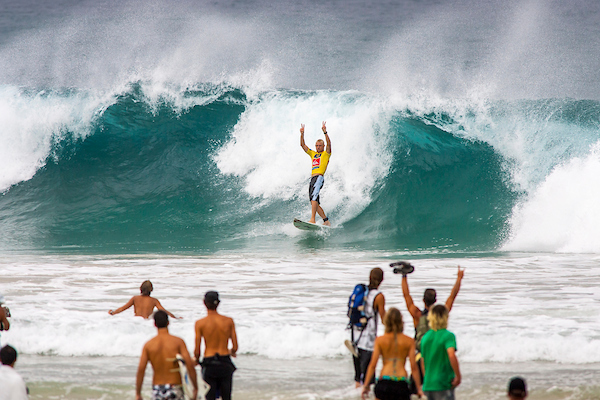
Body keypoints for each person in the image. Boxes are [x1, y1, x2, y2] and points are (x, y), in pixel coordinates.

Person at [361, 308, 423, 400]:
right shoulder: (409, 341)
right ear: (401, 322)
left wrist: (366, 386)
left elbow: (372, 365)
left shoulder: (380, 340)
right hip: (401, 383)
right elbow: (413, 367)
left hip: (384, 382)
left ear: (386, 321)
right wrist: (418, 388)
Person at [135, 311, 198, 400]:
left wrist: (138, 393)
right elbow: (189, 364)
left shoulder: (149, 345)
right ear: (168, 322)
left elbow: (141, 369)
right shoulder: (178, 342)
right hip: (174, 387)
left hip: (157, 389)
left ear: (154, 324)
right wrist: (195, 388)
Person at [401, 266, 464, 352]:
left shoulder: (417, 314)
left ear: (423, 300)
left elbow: (406, 295)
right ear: (435, 300)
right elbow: (452, 296)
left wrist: (404, 276)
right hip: (436, 351)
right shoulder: (441, 314)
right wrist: (459, 278)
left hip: (421, 353)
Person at [194, 291, 238, 400]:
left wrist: (196, 359)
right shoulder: (228, 321)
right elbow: (235, 347)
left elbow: (197, 350)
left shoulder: (200, 323)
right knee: (227, 397)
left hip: (209, 364)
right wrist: (231, 351)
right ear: (218, 303)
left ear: (204, 303)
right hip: (225, 362)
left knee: (210, 397)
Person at [352, 267, 386, 388]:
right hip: (368, 342)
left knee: (358, 379)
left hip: (355, 338)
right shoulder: (379, 296)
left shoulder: (362, 292)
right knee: (368, 381)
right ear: (382, 280)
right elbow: (384, 319)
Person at [420, 305, 461, 400]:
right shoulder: (448, 336)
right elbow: (451, 355)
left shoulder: (425, 337)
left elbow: (423, 361)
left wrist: (426, 378)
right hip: (443, 383)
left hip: (428, 384)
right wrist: (458, 376)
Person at [300, 121, 332, 226]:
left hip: (319, 177)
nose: (318, 147)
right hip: (312, 178)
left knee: (314, 198)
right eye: (317, 145)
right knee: (314, 202)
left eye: (320, 145)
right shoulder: (313, 154)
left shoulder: (326, 154)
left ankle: (312, 219)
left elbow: (329, 144)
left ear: (323, 146)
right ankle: (326, 221)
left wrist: (325, 132)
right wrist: (302, 134)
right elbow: (303, 145)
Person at [108, 280, 179, 319]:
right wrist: (175, 317)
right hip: (146, 324)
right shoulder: (154, 300)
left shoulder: (135, 298)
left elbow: (122, 308)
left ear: (141, 289)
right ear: (151, 290)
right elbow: (163, 311)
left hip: (136, 322)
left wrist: (112, 313)